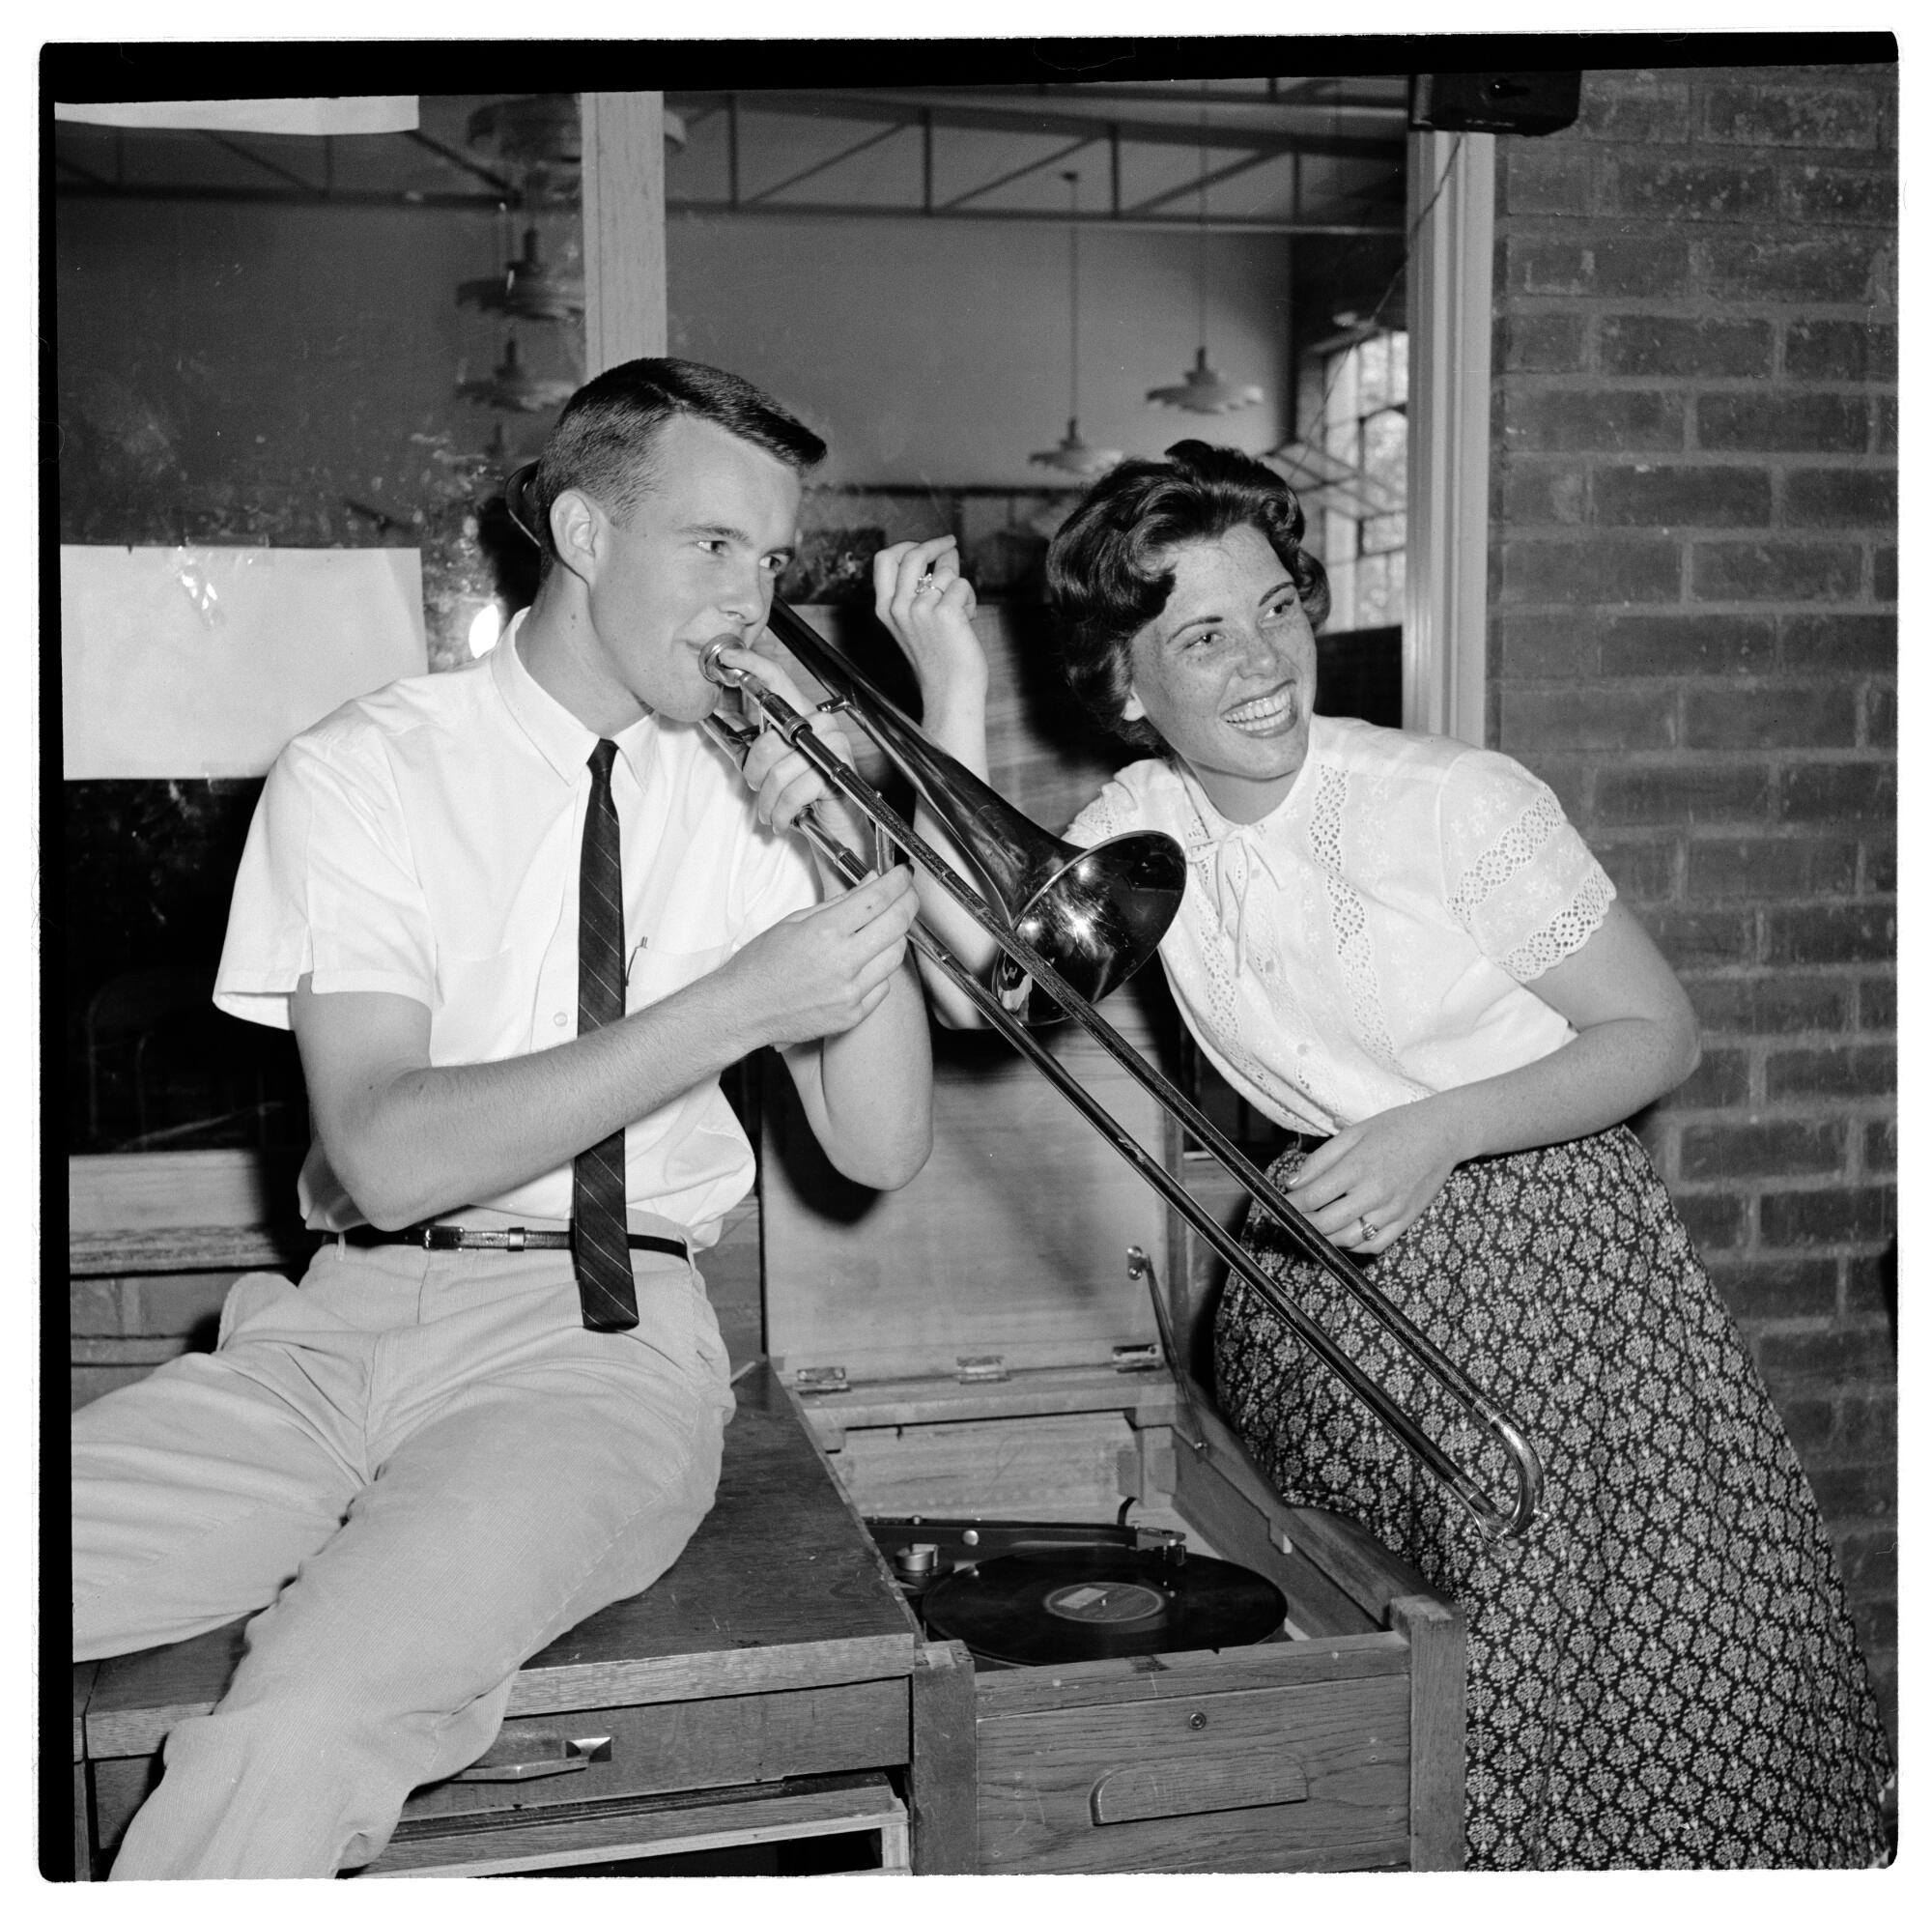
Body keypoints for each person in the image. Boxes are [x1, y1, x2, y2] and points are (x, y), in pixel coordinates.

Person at [872, 439, 1891, 1870]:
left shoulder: (1454, 801)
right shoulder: (1146, 824)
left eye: (1278, 608)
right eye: (1205, 636)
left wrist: (1440, 1130)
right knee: (1384, 1675)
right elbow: (978, 988)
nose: (1263, 662)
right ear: (1125, 685)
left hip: (1551, 1282)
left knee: (1590, 1689)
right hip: (1326, 1298)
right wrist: (951, 694)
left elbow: (1657, 1034)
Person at [70, 358, 934, 1878]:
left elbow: (881, 1146)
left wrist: (866, 861)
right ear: (588, 537)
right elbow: (387, 1156)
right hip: (334, 1326)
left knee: (303, 1719)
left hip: (598, 1347)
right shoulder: (364, 771)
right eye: (715, 548)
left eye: (773, 559)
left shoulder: (755, 794)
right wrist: (736, 1003)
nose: (757, 601)